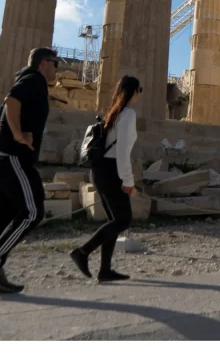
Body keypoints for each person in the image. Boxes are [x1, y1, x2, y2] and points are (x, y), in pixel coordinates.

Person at [0, 47, 58, 294]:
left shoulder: (26, 80)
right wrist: (19, 135)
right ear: (43, 64)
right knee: (32, 212)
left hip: (2, 155)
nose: (57, 70)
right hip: (13, 157)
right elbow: (10, 102)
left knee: (5, 218)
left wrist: (9, 134)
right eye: (55, 64)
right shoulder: (34, 80)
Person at [70, 75, 141, 283]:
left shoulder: (113, 113)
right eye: (139, 90)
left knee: (114, 220)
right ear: (133, 91)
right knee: (123, 219)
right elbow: (123, 152)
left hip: (100, 170)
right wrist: (128, 182)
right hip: (111, 170)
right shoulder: (128, 115)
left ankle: (105, 270)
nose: (139, 95)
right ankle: (82, 252)